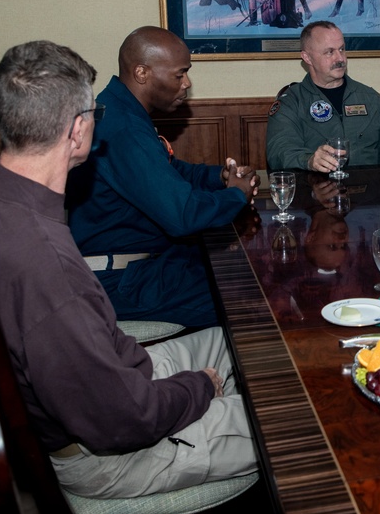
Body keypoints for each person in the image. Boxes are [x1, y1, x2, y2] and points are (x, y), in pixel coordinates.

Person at [0, 41, 258, 499]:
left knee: (246, 340)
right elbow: (126, 420)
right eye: (96, 113)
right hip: (110, 456)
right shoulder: (49, 268)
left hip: (112, 377)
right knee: (298, 416)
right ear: (78, 130)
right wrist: (200, 388)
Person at [66, 26, 259, 327]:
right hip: (120, 281)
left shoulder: (119, 110)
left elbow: (168, 171)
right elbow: (183, 216)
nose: (187, 83)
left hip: (141, 264)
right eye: (179, 74)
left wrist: (219, 177)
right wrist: (236, 194)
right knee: (250, 298)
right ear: (142, 73)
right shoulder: (125, 129)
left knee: (241, 269)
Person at [266, 21, 380, 171]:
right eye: (329, 52)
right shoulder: (292, 103)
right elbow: (279, 153)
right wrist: (309, 161)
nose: (340, 58)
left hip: (366, 190)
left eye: (341, 49)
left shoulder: (370, 98)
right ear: (307, 57)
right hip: (313, 191)